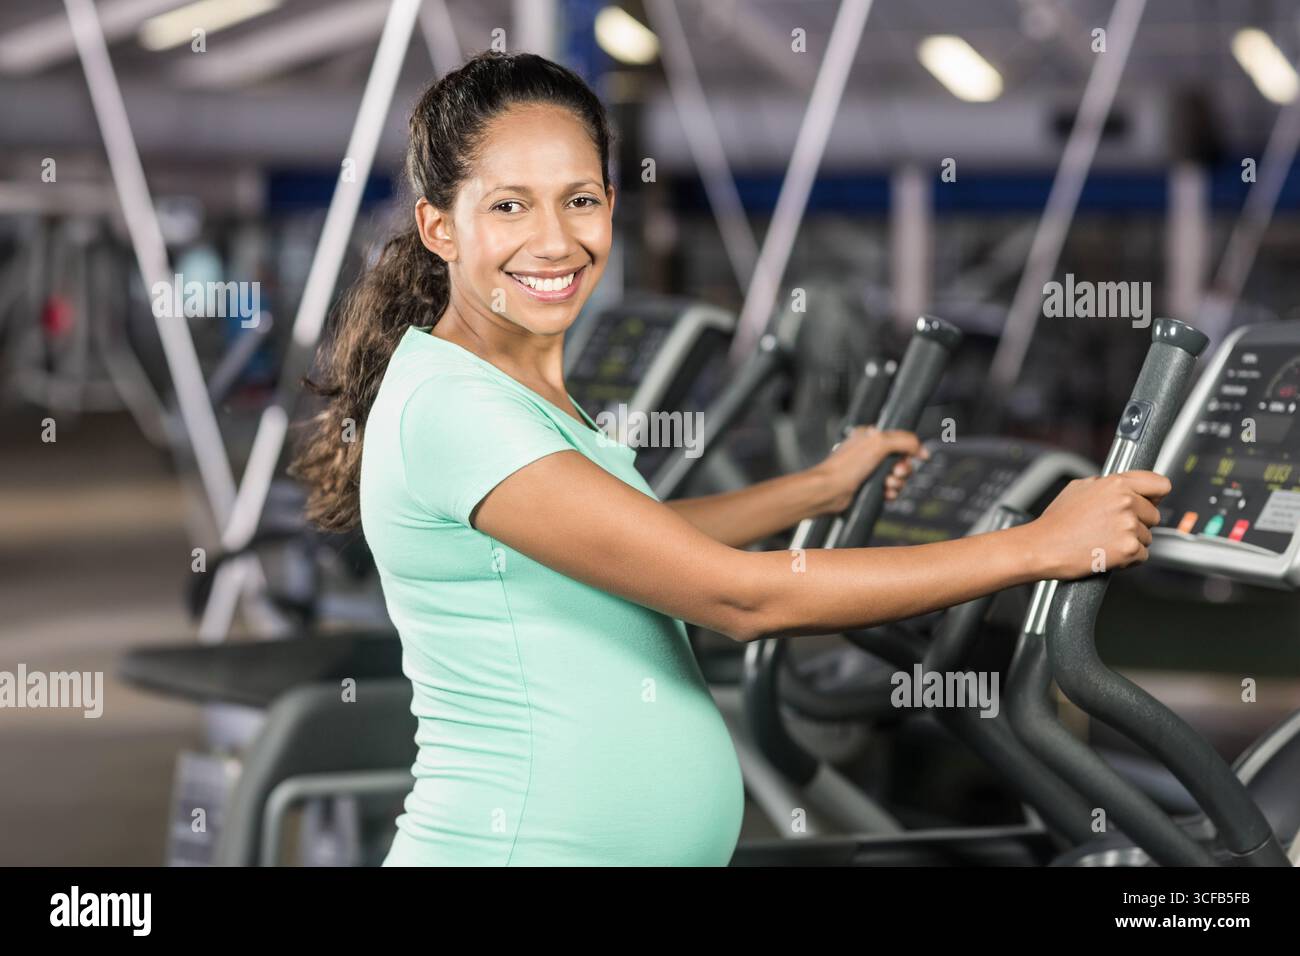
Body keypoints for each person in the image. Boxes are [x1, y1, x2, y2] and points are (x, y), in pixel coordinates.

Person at [290, 51, 1170, 867]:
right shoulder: (459, 407)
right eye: (509, 205)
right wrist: (1041, 546)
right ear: (440, 227)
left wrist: (818, 486)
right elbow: (737, 597)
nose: (555, 241)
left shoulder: (505, 381)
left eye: (581, 199)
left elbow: (635, 544)